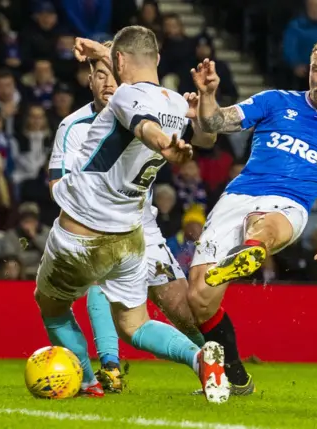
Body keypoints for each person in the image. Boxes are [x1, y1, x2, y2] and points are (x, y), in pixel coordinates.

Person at [36, 26, 228, 403]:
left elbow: (142, 124)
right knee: (134, 324)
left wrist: (164, 146)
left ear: (119, 62)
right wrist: (204, 103)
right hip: (130, 235)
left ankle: (89, 383)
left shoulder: (123, 96)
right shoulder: (174, 101)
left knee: (52, 307)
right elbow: (206, 137)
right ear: (156, 59)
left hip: (83, 233)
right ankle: (199, 358)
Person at [188, 35, 317, 395]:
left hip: (290, 205)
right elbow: (216, 124)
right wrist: (208, 97)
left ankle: (253, 250)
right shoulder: (274, 101)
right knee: (199, 297)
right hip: (238, 196)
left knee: (265, 226)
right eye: (316, 69)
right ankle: (237, 379)